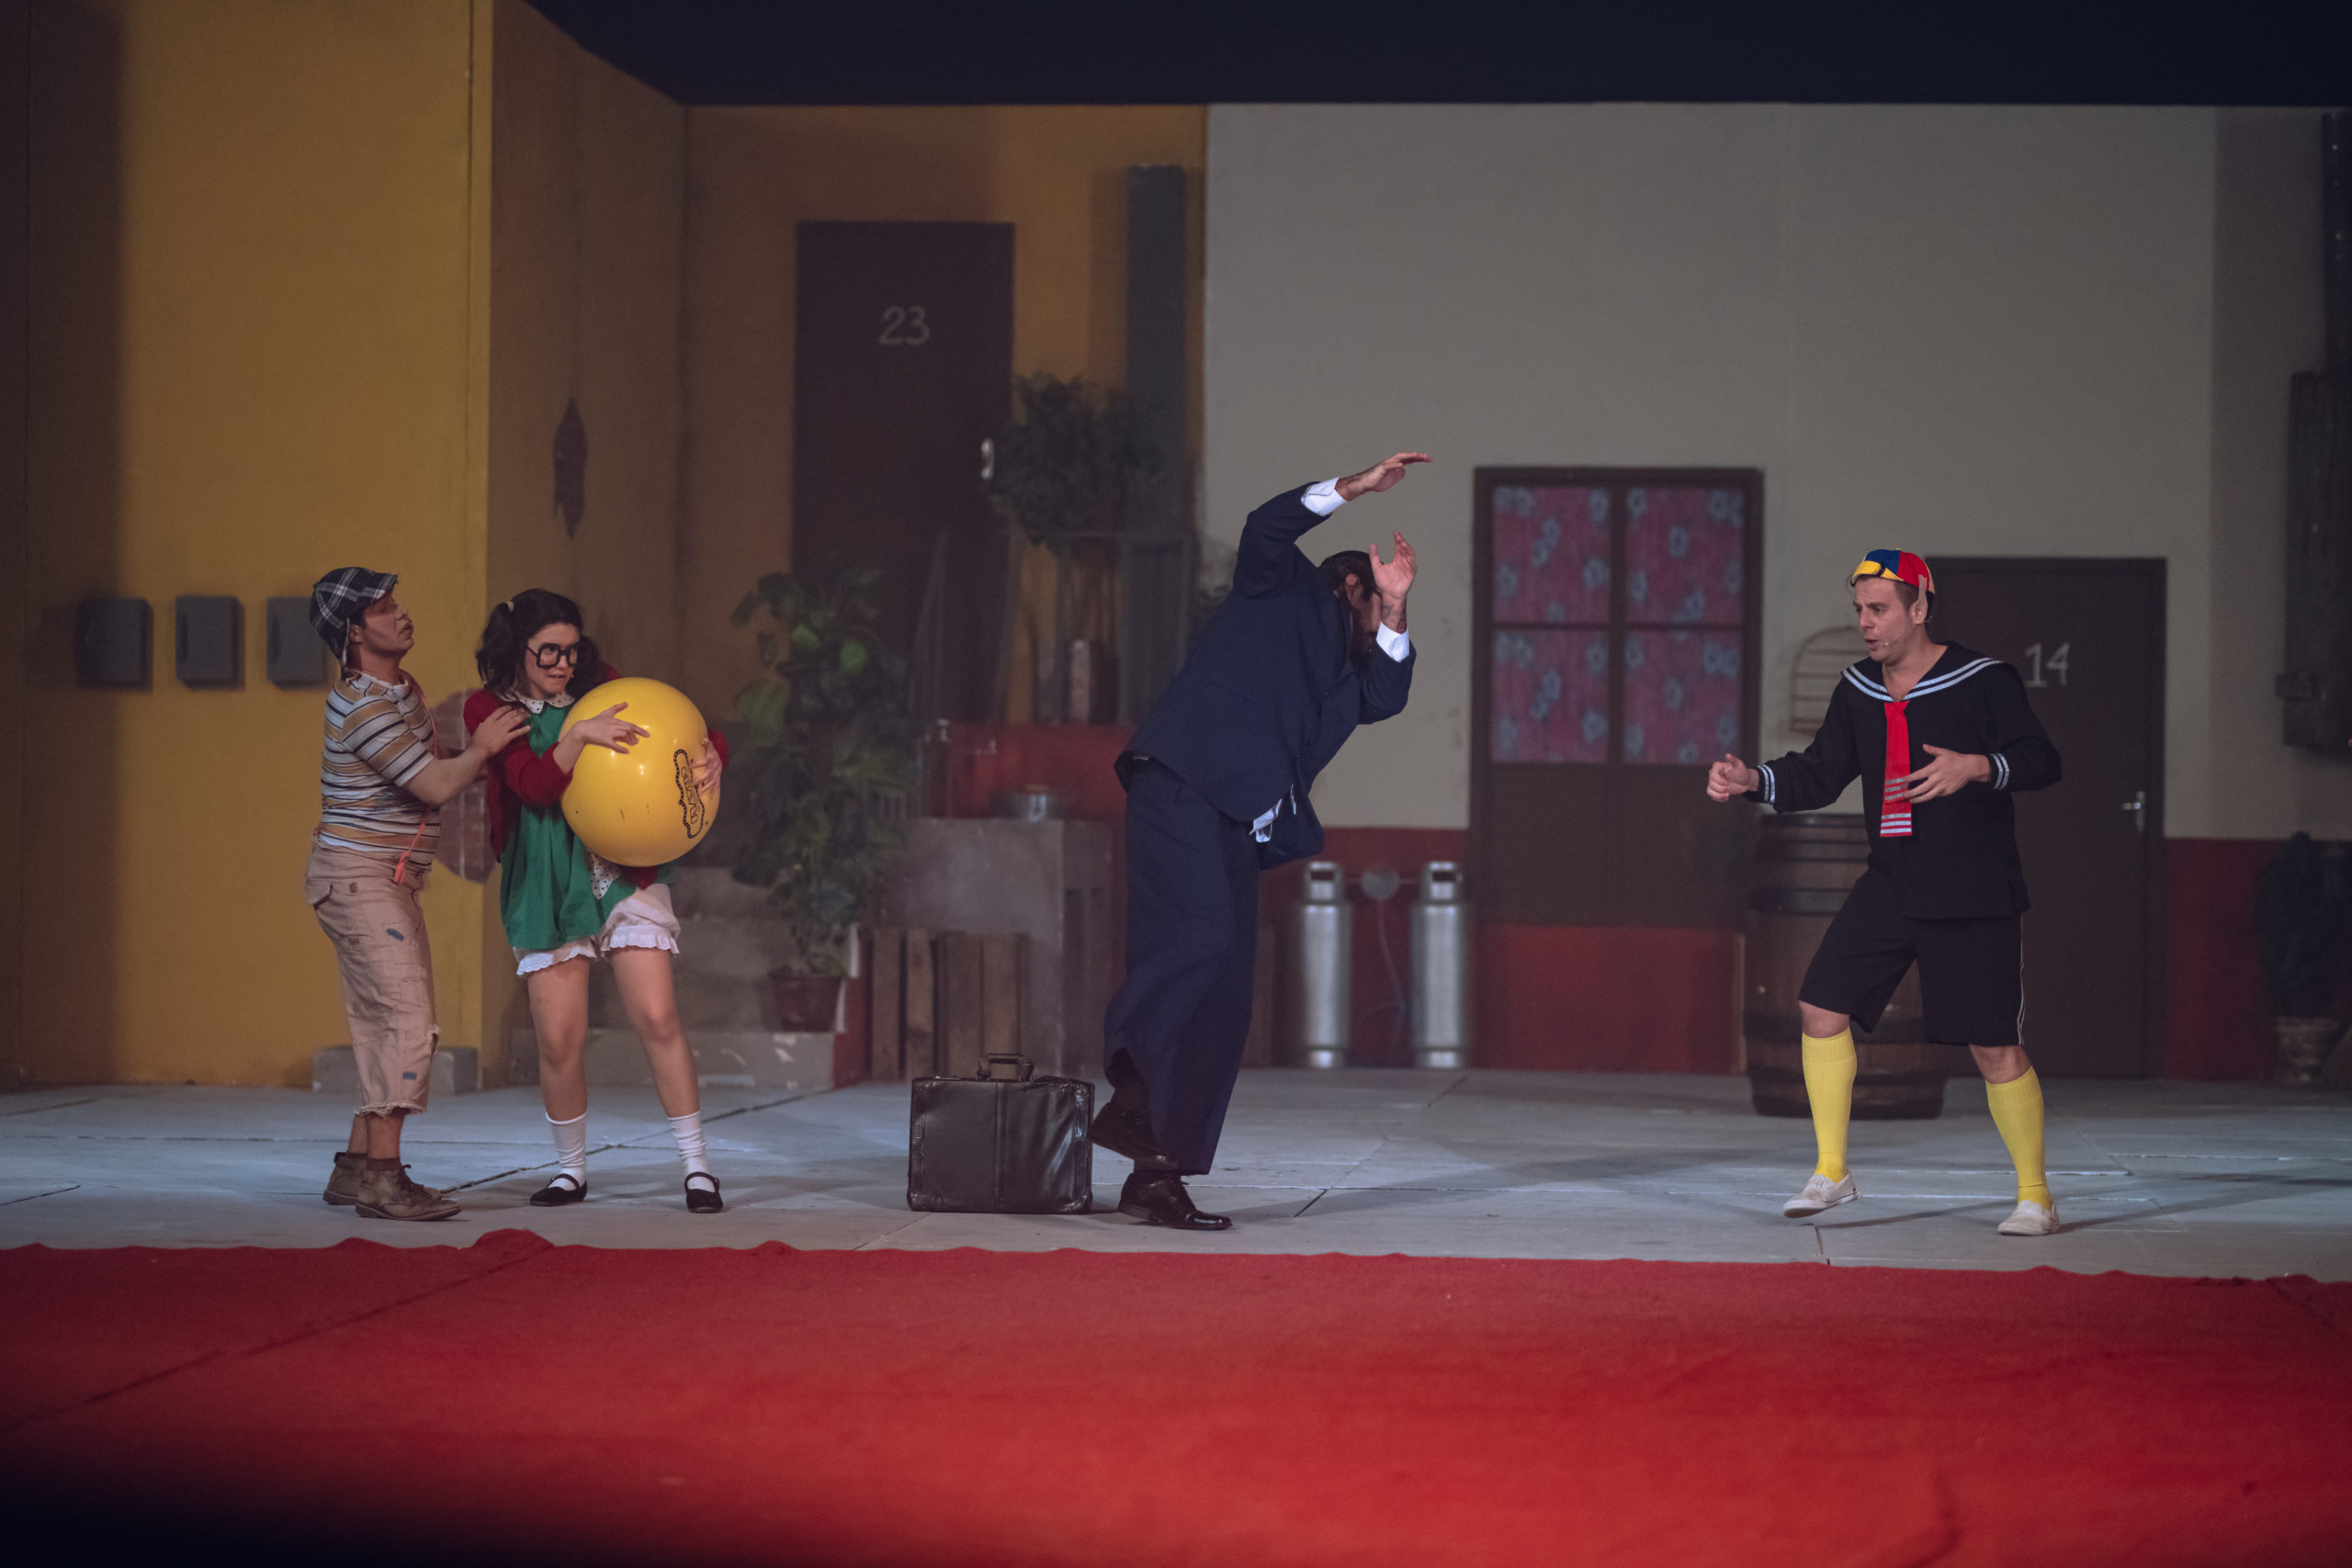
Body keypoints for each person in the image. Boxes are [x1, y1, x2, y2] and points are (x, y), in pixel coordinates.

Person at [1093, 452, 1426, 1229]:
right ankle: (1131, 1082)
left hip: (1242, 818)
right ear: (1348, 585)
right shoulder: (1280, 590)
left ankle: (1158, 1171)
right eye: (1374, 600)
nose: (1377, 620)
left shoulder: (1349, 677)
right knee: (1200, 939)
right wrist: (1356, 487)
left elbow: (1389, 693)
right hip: (1183, 778)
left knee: (1227, 994)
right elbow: (1266, 526)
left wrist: (1400, 607)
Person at [1706, 550, 2064, 1235]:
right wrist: (1752, 779)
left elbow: (2042, 759)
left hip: (1974, 889)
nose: (1865, 623)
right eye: (1859, 611)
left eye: (1879, 609)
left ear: (1919, 609)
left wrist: (1977, 765)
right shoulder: (1857, 689)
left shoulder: (1983, 680)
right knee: (1820, 1006)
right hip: (1892, 880)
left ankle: (2035, 1197)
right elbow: (1820, 772)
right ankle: (1832, 1171)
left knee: (1993, 1046)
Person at [464, 592, 729, 1213]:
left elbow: (671, 728)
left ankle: (697, 1168)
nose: (563, 663)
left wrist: (714, 751)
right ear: (518, 647)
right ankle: (571, 1171)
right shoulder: (489, 708)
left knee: (657, 1017)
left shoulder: (599, 684)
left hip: (620, 864)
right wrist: (579, 734)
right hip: (545, 874)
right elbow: (532, 786)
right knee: (559, 1039)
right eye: (548, 652)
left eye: (571, 650)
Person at [307, 570, 531, 1222]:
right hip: (360, 877)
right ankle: (384, 1178)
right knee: (407, 1021)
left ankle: (356, 1169)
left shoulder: (399, 689)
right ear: (354, 633)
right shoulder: (364, 706)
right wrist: (483, 749)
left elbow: (424, 772)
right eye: (383, 609)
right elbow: (431, 785)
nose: (401, 614)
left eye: (396, 602)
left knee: (382, 1021)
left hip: (380, 878)